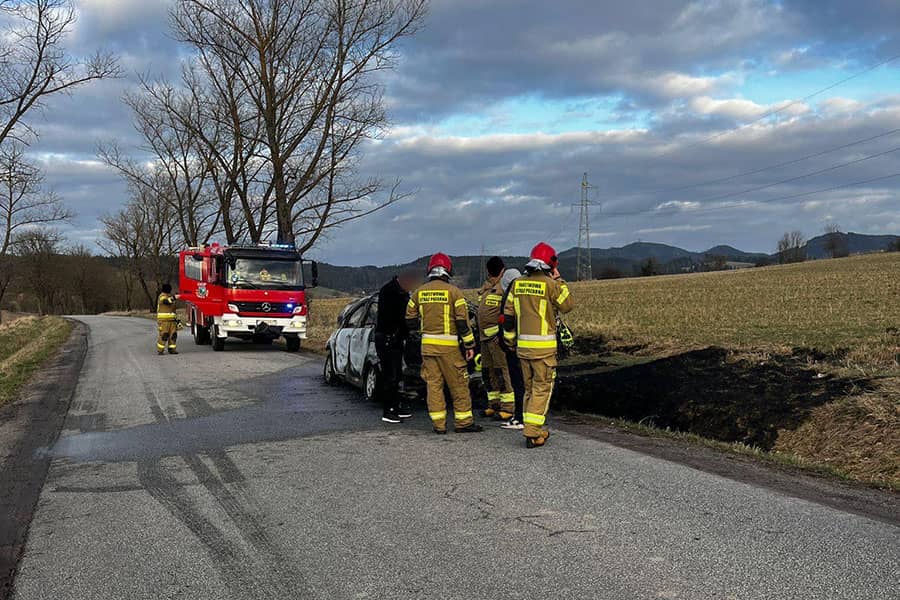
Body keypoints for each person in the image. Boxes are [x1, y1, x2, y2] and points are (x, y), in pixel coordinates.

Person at [502, 243, 575, 448]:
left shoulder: (517, 284)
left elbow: (508, 318)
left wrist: (509, 342)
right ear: (551, 264)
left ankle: (532, 427)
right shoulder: (551, 285)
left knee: (529, 390)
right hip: (543, 350)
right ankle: (533, 431)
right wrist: (558, 279)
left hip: (523, 349)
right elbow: (568, 305)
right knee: (542, 389)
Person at [405, 253, 483, 434]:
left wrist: (423, 328)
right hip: (449, 349)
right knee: (459, 385)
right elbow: (462, 323)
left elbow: (409, 320)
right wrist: (470, 346)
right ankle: (463, 423)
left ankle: (439, 425)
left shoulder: (419, 292)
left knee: (434, 386)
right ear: (448, 270)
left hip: (427, 348)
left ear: (430, 270)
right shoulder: (454, 292)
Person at [375, 270, 419, 423]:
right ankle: (389, 411)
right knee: (390, 376)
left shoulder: (401, 293)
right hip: (388, 339)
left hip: (395, 339)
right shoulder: (389, 292)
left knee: (397, 375)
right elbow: (397, 317)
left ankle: (396, 406)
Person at [477, 256, 515, 420]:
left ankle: (508, 407)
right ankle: (494, 404)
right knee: (487, 372)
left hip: (496, 338)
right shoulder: (486, 289)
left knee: (501, 371)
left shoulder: (504, 288)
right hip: (484, 338)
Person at [497, 268, 525, 430]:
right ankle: (526, 416)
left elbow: (507, 322)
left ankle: (520, 417)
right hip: (529, 345)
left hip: (514, 348)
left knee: (518, 383)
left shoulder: (510, 295)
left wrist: (508, 344)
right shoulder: (525, 293)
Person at [156, 284, 179, 355]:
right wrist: (174, 298)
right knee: (164, 335)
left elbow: (173, 310)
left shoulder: (170, 297)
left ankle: (172, 349)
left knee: (173, 335)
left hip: (172, 320)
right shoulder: (162, 296)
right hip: (163, 321)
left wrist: (177, 320)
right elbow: (166, 301)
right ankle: (160, 350)